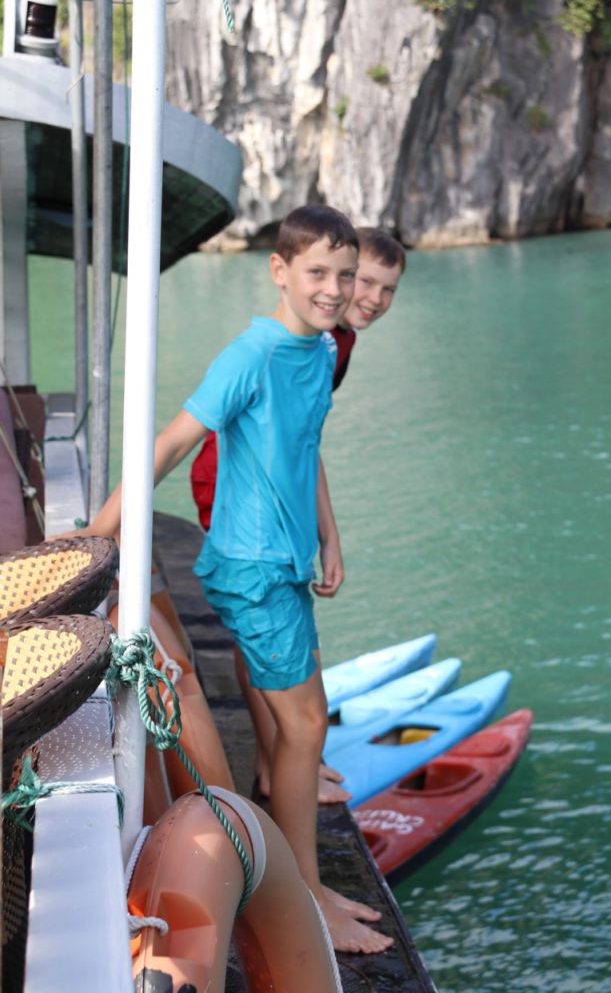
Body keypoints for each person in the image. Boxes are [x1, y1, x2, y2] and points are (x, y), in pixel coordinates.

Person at [73, 205, 392, 955]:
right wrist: (91, 540)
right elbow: (170, 445)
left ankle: (305, 874)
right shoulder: (252, 354)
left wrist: (329, 535)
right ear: (279, 271)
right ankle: (309, 895)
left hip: (285, 563)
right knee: (306, 725)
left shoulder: (318, 353)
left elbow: (304, 448)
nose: (336, 288)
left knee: (294, 727)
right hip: (250, 568)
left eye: (346, 276)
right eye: (318, 272)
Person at [189, 228, 407, 804]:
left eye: (388, 289)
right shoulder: (313, 332)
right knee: (255, 623)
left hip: (270, 481)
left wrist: (329, 536)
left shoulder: (339, 342)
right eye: (365, 281)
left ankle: (281, 755)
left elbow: (306, 440)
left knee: (263, 631)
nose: (372, 298)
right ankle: (279, 761)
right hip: (235, 482)